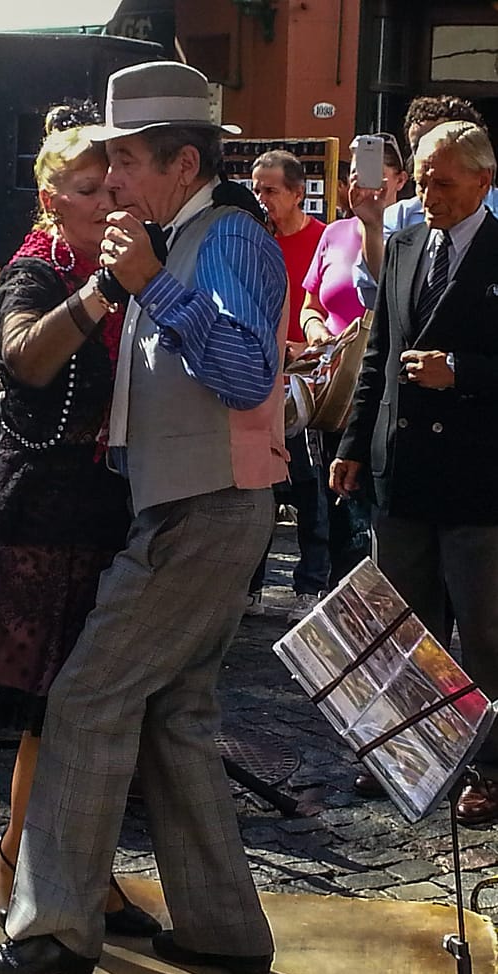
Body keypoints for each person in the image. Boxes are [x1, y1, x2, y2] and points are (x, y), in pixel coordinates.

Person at [0, 60, 288, 974]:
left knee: (84, 698)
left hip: (202, 508)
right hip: (190, 505)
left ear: (182, 164)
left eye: (129, 162)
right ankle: (224, 930)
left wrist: (150, 283)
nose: (116, 181)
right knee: (174, 718)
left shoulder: (223, 235)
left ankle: (55, 928)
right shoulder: (184, 233)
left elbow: (246, 376)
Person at [0, 106, 156, 936]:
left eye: (113, 188)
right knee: (50, 708)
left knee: (88, 709)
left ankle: (77, 875)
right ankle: (17, 863)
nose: (107, 201)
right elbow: (25, 356)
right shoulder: (34, 270)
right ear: (50, 198)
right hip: (38, 514)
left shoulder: (119, 269)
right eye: (88, 189)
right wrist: (105, 289)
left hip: (104, 508)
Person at [332, 120, 498, 826]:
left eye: (443, 183)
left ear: (483, 182)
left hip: (478, 482)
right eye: (423, 181)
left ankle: (489, 769)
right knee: (405, 630)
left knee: (485, 635)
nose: (428, 195)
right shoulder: (402, 246)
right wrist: (350, 443)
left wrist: (459, 371)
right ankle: (411, 752)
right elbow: (377, 352)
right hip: (400, 475)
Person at [298, 134, 410, 603]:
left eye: (376, 174)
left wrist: (374, 225)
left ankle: (370, 604)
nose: (361, 184)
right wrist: (315, 330)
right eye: (354, 174)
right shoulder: (333, 233)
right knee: (333, 504)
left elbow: (387, 296)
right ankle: (335, 598)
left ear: (400, 179)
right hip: (335, 384)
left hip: (379, 385)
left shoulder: (413, 228)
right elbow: (311, 302)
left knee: (369, 512)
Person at [251, 150, 327, 622]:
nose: (262, 199)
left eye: (271, 190)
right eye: (256, 189)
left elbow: (327, 303)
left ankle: (311, 585)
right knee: (260, 486)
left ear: (298, 193)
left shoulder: (323, 239)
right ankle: (252, 586)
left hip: (307, 382)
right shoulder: (253, 241)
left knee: (309, 486)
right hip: (261, 379)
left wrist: (307, 345)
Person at [353, 96, 498, 307]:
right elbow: (380, 300)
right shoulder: (399, 230)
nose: (429, 199)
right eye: (416, 145)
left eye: (444, 184)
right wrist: (372, 226)